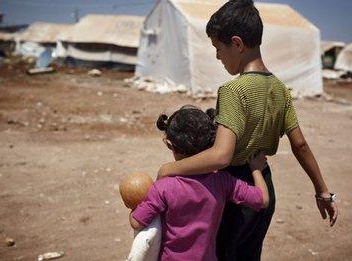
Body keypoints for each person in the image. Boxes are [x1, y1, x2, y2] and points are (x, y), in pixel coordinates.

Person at [157, 1, 338, 260]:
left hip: (235, 193)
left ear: (237, 44)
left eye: (218, 49)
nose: (218, 56)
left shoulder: (233, 91)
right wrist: (323, 192)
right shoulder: (279, 89)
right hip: (264, 186)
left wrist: (168, 169)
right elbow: (301, 145)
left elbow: (221, 156)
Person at [129, 106, 270, 260]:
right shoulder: (222, 181)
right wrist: (256, 169)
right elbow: (262, 199)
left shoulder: (163, 187)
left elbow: (137, 222)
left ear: (170, 144)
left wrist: (134, 205)